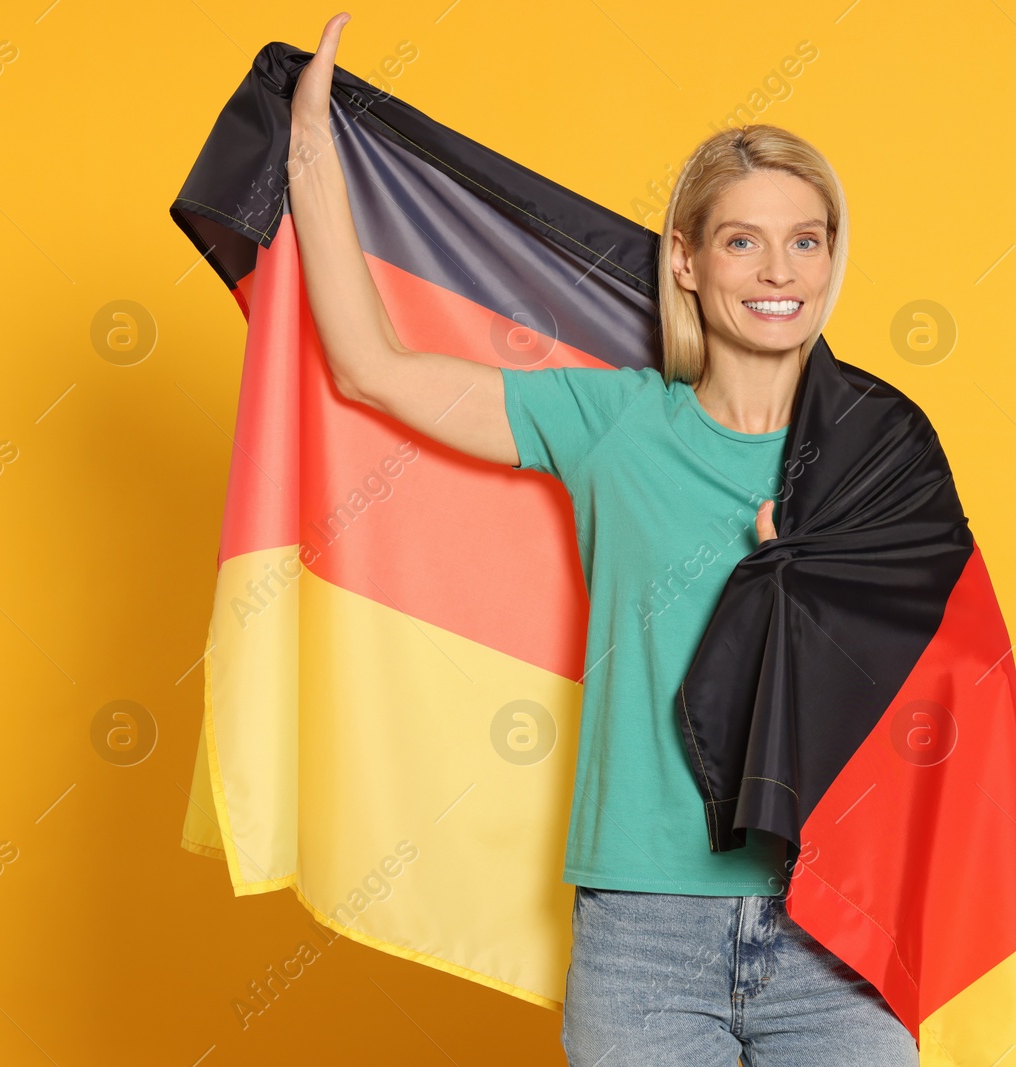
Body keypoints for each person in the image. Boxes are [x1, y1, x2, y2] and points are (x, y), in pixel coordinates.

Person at [288, 13, 918, 1066]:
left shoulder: (878, 448)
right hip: (644, 934)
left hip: (839, 927)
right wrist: (312, 149)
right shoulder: (614, 423)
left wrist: (807, 589)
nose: (778, 269)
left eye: (806, 238)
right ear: (685, 260)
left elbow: (940, 687)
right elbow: (374, 369)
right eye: (741, 239)